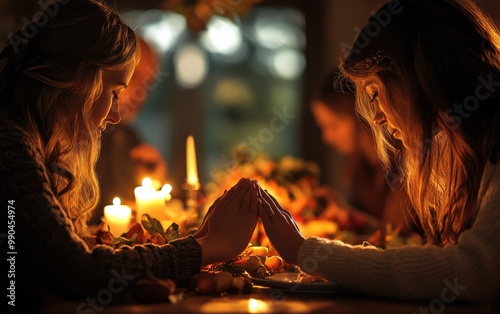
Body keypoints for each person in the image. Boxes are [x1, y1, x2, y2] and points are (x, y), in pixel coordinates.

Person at [0, 0, 257, 310]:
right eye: (115, 92)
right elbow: (76, 269)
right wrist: (205, 249)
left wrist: (199, 241)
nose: (116, 115)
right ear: (81, 81)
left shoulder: (29, 142)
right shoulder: (11, 146)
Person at [257, 0, 500, 303]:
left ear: (417, 76)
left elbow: (472, 271)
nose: (377, 117)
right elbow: (438, 259)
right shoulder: (464, 151)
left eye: (374, 93)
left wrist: (309, 252)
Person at [311, 68, 414, 234]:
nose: (327, 137)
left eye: (334, 125)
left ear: (361, 115)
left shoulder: (404, 165)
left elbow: (396, 237)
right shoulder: (360, 168)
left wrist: (349, 215)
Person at [92, 35, 167, 225]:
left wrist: (153, 179)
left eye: (148, 82)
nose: (141, 92)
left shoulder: (128, 136)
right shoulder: (76, 135)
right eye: (133, 76)